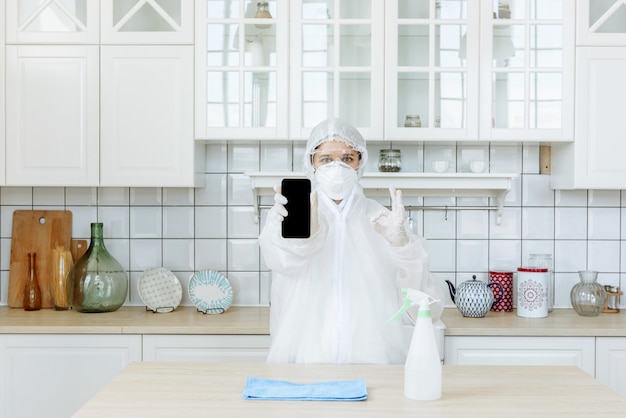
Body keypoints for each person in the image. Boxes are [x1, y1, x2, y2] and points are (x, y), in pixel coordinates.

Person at [259, 117, 445, 364]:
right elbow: (281, 262)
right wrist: (305, 239)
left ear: (360, 163)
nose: (337, 167)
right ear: (311, 164)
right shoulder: (286, 214)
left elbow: (427, 309)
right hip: (303, 357)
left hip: (371, 358)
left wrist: (403, 248)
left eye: (347, 158)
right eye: (325, 159)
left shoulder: (381, 219)